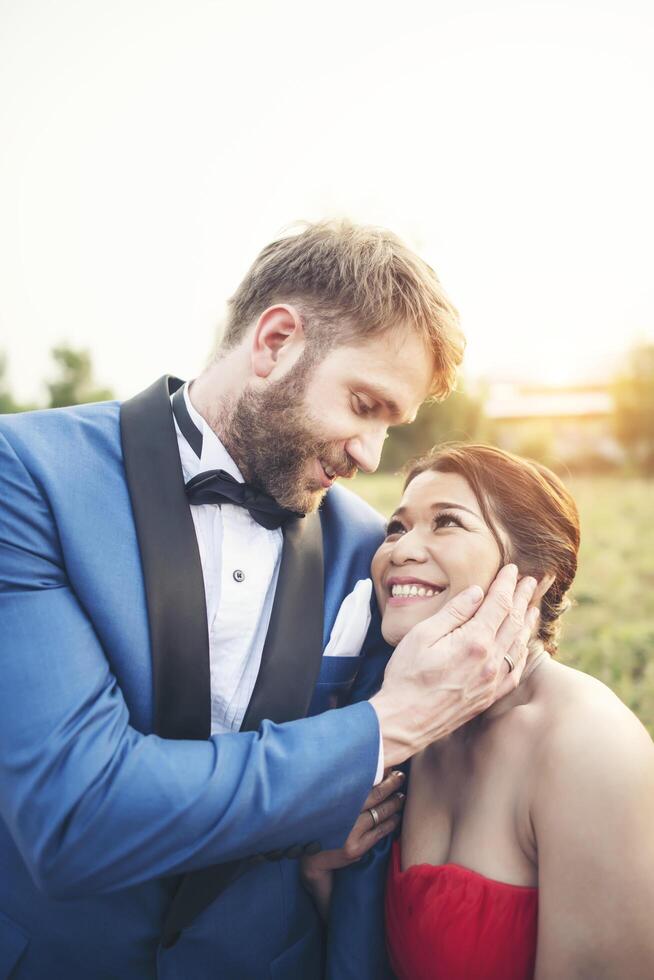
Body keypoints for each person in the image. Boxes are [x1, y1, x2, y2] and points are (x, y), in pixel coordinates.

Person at [0, 223, 536, 979]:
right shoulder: (25, 475)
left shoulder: (368, 549)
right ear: (275, 341)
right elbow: (75, 815)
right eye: (363, 405)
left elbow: (365, 847)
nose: (369, 456)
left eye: (391, 427)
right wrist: (379, 729)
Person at [303, 443, 654, 979]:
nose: (399, 550)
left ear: (539, 572)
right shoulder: (411, 723)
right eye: (396, 528)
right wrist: (325, 873)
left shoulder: (586, 744)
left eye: (447, 523)